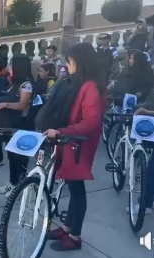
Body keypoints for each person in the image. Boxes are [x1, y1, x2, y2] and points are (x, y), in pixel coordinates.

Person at [35, 42, 106, 251]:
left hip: (79, 142)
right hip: (70, 140)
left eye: (71, 61)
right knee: (72, 185)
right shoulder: (79, 82)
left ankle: (75, 236)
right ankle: (68, 227)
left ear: (80, 63)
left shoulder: (91, 86)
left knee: (76, 188)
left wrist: (64, 131)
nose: (68, 65)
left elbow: (91, 121)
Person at [0, 54, 34, 195]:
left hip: (22, 125)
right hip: (10, 125)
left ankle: (19, 186)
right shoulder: (12, 83)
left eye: (12, 65)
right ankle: (12, 183)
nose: (9, 67)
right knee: (11, 156)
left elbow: (23, 104)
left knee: (20, 158)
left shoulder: (26, 85)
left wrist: (5, 104)